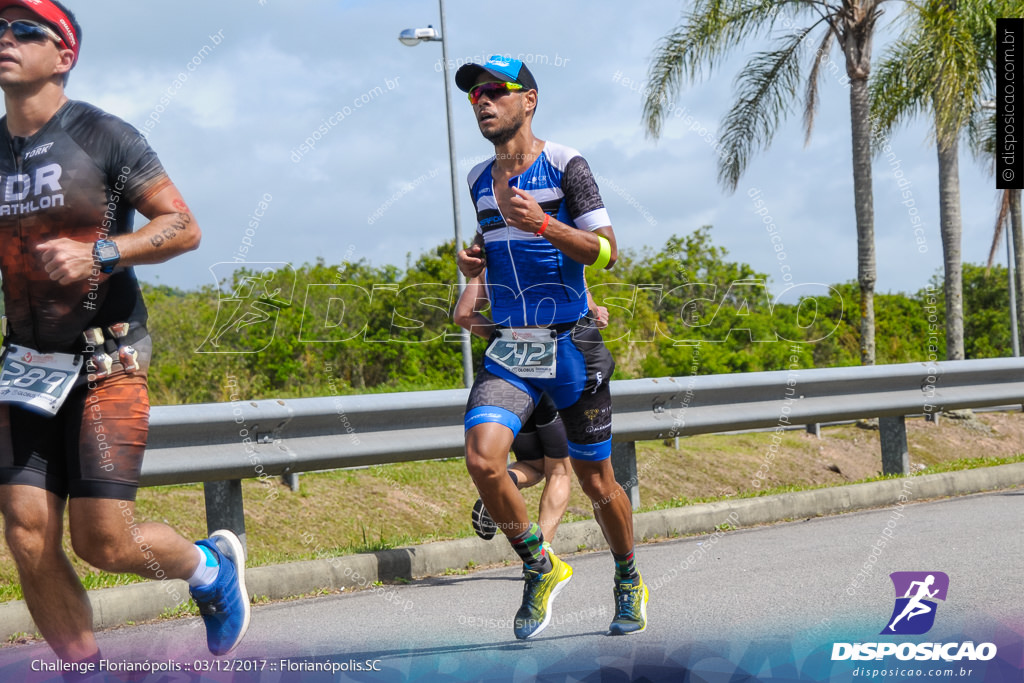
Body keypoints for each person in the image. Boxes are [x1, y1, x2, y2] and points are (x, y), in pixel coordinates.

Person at [0, 0, 249, 664]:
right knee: (27, 535)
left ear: (64, 55)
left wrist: (100, 254)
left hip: (107, 357)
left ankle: (207, 567)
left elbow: (182, 225)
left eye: (26, 29)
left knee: (102, 541)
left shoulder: (103, 136)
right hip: (25, 363)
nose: (6, 38)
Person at [455, 55, 647, 639]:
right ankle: (540, 565)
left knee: (597, 482)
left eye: (495, 91)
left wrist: (544, 224)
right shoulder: (476, 180)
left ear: (528, 99)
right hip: (514, 346)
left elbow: (608, 252)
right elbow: (496, 247)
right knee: (484, 459)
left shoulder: (566, 163)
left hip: (571, 344)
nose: (483, 102)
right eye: (474, 96)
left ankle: (628, 575)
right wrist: (474, 270)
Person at [456, 275, 608, 545]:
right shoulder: (558, 255)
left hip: (509, 380)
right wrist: (597, 313)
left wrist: (510, 339)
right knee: (559, 470)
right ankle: (542, 552)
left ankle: (510, 479)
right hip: (556, 368)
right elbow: (590, 312)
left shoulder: (490, 260)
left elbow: (463, 315)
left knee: (535, 465)